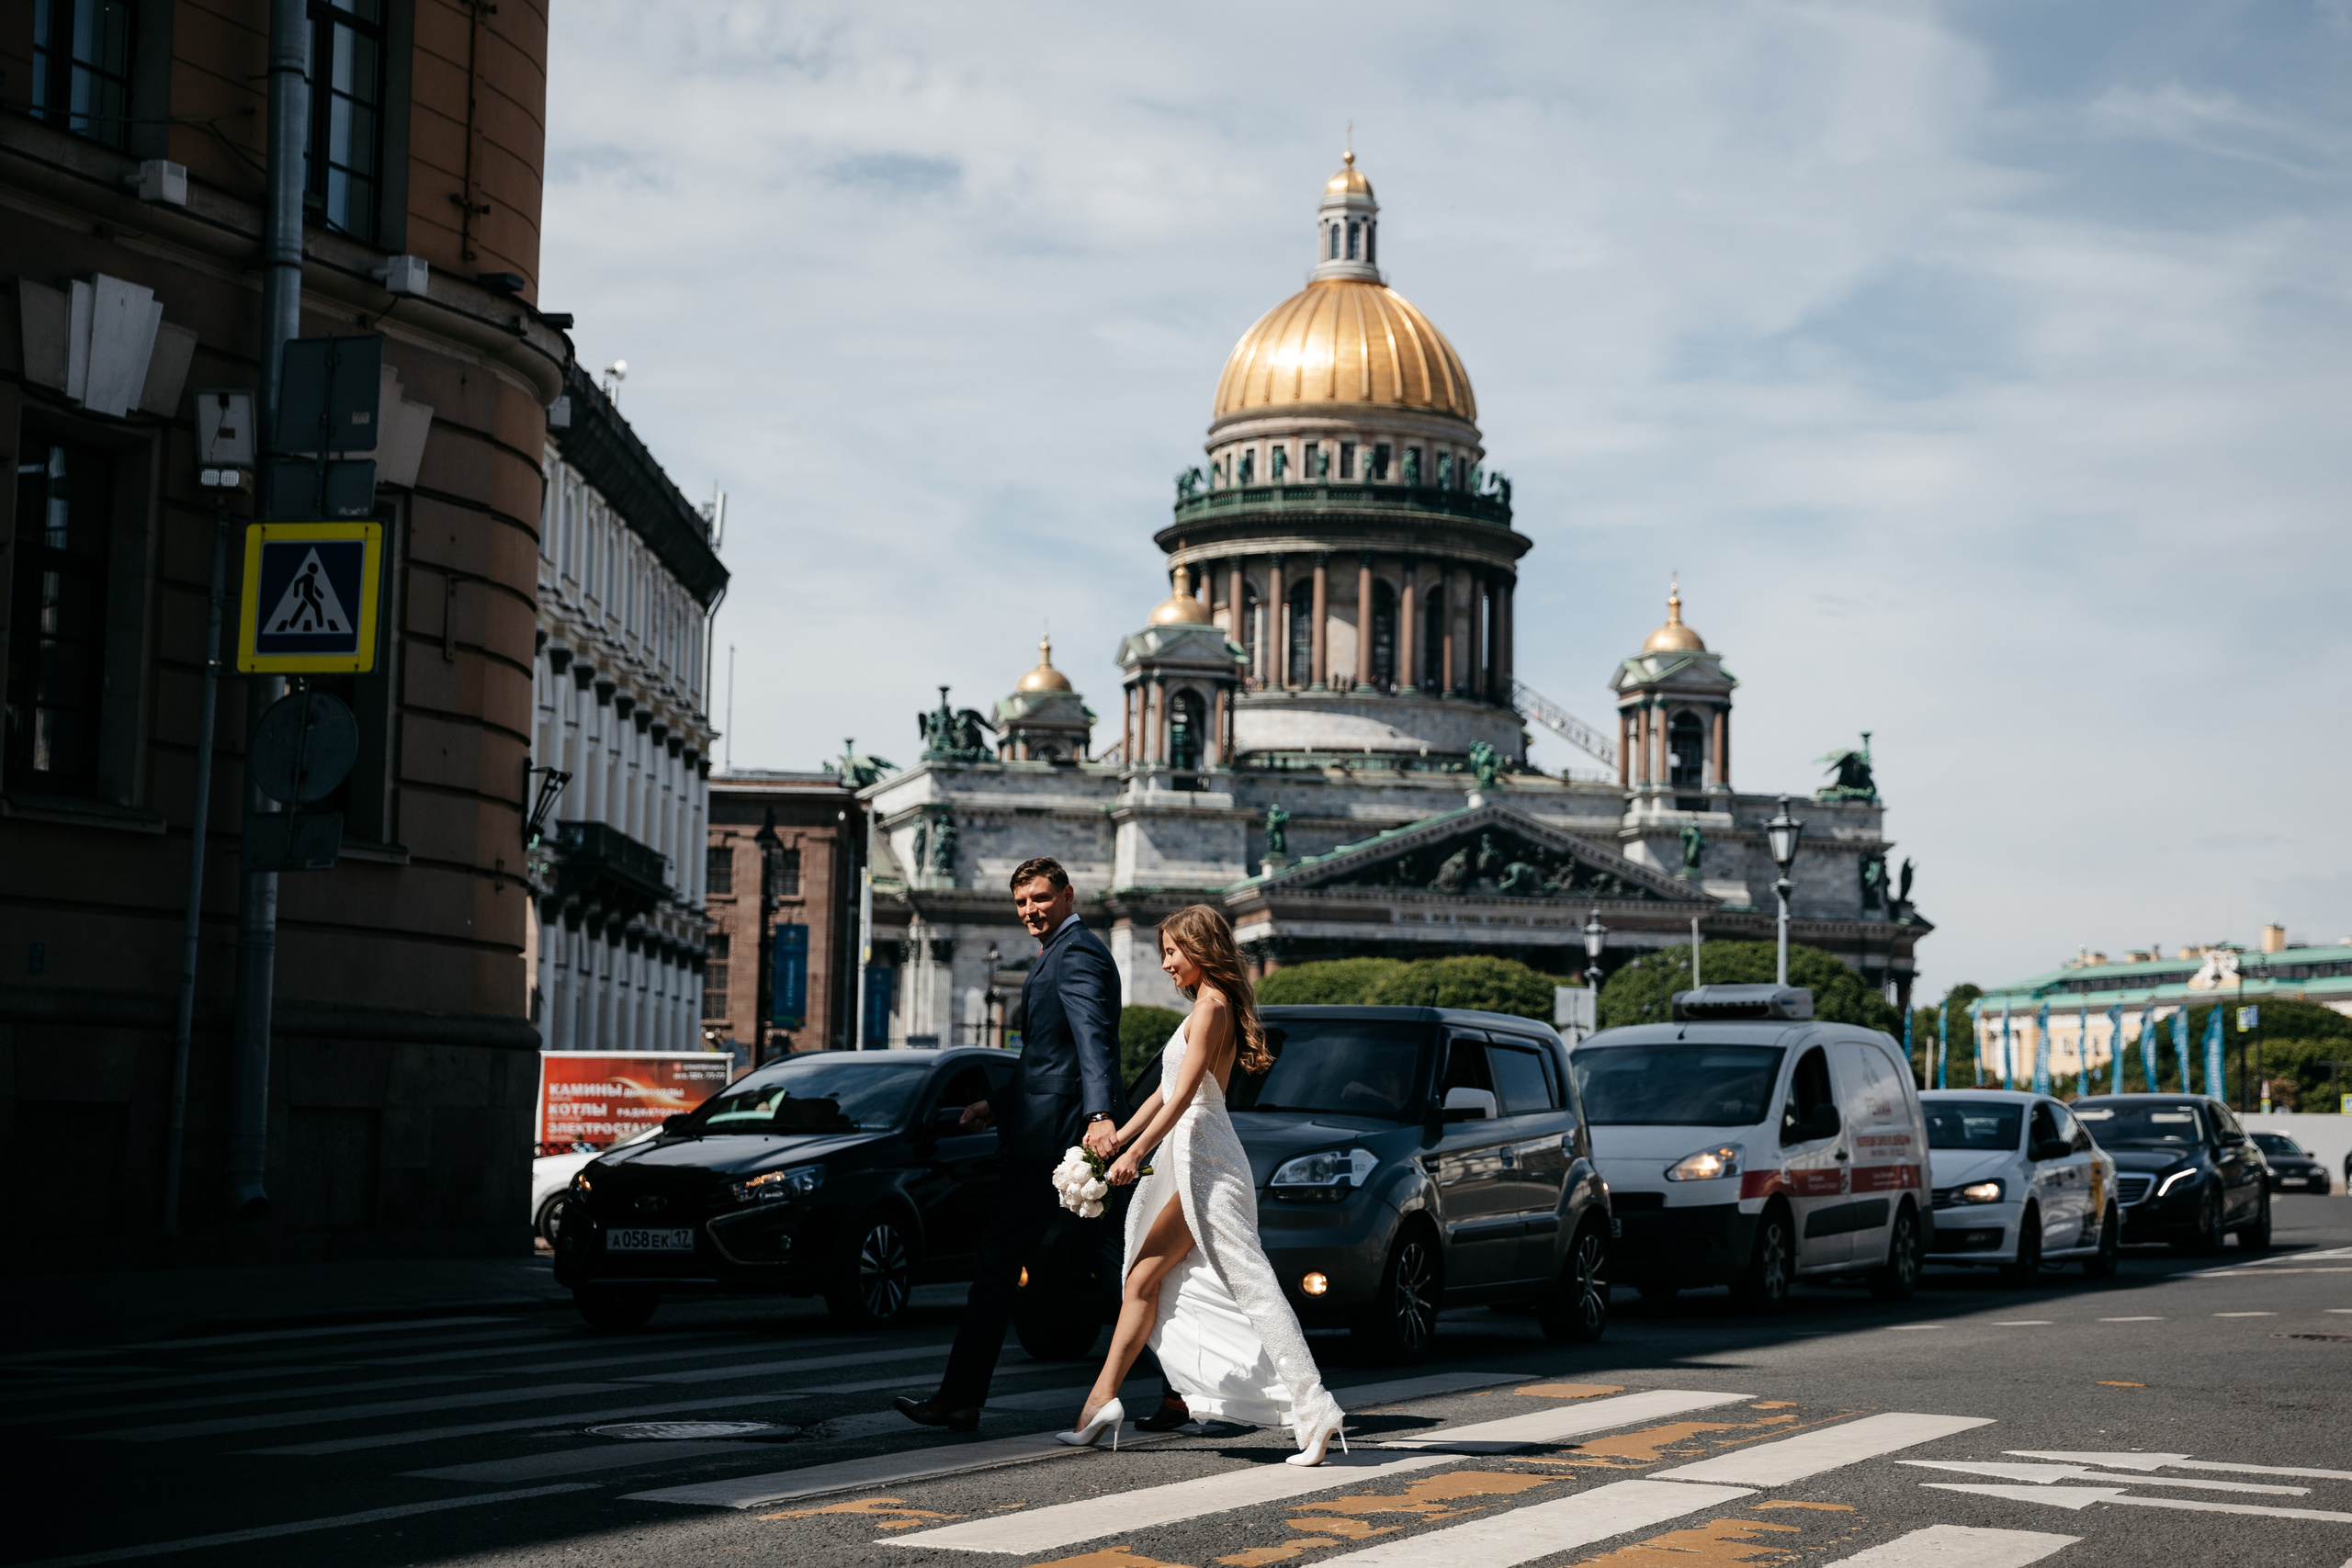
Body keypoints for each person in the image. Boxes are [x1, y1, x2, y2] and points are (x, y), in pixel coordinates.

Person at [1054, 905, 1348, 1466]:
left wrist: (1136, 1153)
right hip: (1192, 1156)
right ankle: (1099, 1404)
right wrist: (1118, 1140)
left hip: (1207, 1162)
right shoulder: (1206, 1008)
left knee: (1250, 1285)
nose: (1165, 963)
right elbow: (1164, 1093)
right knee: (1143, 1278)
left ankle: (1314, 1407)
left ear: (1201, 949)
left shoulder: (1213, 1008)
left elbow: (1187, 1094)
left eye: (1171, 952)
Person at [893, 858, 1172, 1432]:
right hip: (1042, 1141)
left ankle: (1183, 1389)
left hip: (1068, 1144)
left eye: (1041, 899)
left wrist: (1099, 1115)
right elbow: (1045, 1057)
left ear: (1069, 895)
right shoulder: (1059, 953)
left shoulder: (1079, 955)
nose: (1030, 912)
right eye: (1022, 903)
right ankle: (961, 1397)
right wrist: (994, 1103)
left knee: (1119, 1272)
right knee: (1087, 1270)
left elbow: (1094, 1042)